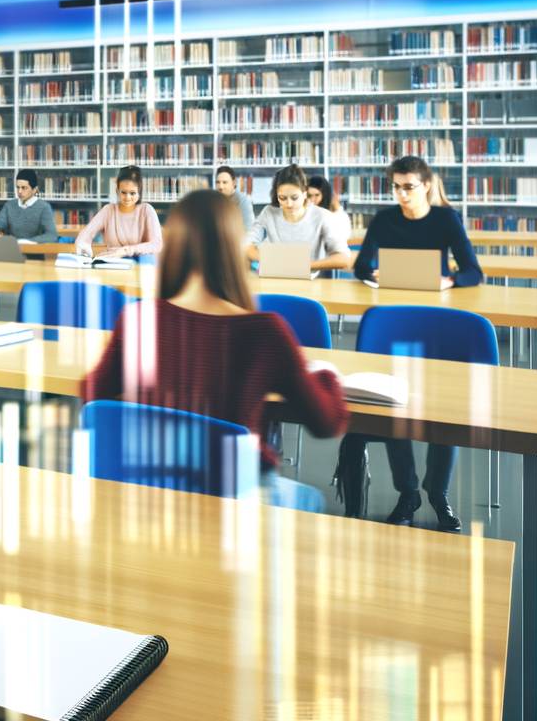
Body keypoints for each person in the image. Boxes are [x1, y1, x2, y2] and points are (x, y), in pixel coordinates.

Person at [83, 189, 349, 509]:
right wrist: (325, 376)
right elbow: (327, 422)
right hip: (234, 495)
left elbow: (92, 391)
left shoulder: (137, 317)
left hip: (150, 488)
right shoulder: (265, 332)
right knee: (311, 499)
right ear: (232, 249)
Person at [337, 156, 482, 530]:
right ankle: (409, 492)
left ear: (427, 186)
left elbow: (472, 271)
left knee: (441, 413)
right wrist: (376, 272)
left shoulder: (446, 219)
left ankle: (439, 494)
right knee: (396, 411)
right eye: (396, 187)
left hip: (438, 321)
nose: (402, 194)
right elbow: (361, 268)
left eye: (409, 187)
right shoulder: (385, 220)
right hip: (396, 321)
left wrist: (449, 281)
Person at [245, 164, 355, 276]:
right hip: (274, 279)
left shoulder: (322, 216)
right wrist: (269, 260)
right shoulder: (269, 213)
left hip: (310, 283)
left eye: (294, 198)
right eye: (282, 198)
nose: (288, 204)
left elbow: (344, 259)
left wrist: (303, 266)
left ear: (304, 194)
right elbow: (245, 245)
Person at [74, 165, 163, 258]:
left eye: (132, 193)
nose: (127, 197)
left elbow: (156, 245)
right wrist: (82, 243)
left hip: (140, 266)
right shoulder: (108, 210)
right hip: (112, 265)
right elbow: (87, 233)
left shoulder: (146, 210)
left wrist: (125, 251)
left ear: (139, 192)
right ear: (117, 191)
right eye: (123, 192)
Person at [0, 168, 60, 242]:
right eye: (18, 187)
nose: (20, 191)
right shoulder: (9, 206)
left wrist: (27, 242)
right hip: (12, 251)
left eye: (24, 188)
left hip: (34, 251)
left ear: (34, 190)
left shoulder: (44, 207)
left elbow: (51, 236)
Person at [306, 174, 353, 247]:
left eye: (316, 195)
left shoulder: (338, 215)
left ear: (325, 195)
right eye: (309, 196)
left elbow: (342, 239)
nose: (312, 200)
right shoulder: (306, 210)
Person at [214, 165, 256, 231]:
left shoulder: (244, 201)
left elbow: (249, 230)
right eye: (218, 182)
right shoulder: (213, 201)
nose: (220, 187)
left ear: (234, 183)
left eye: (225, 182)